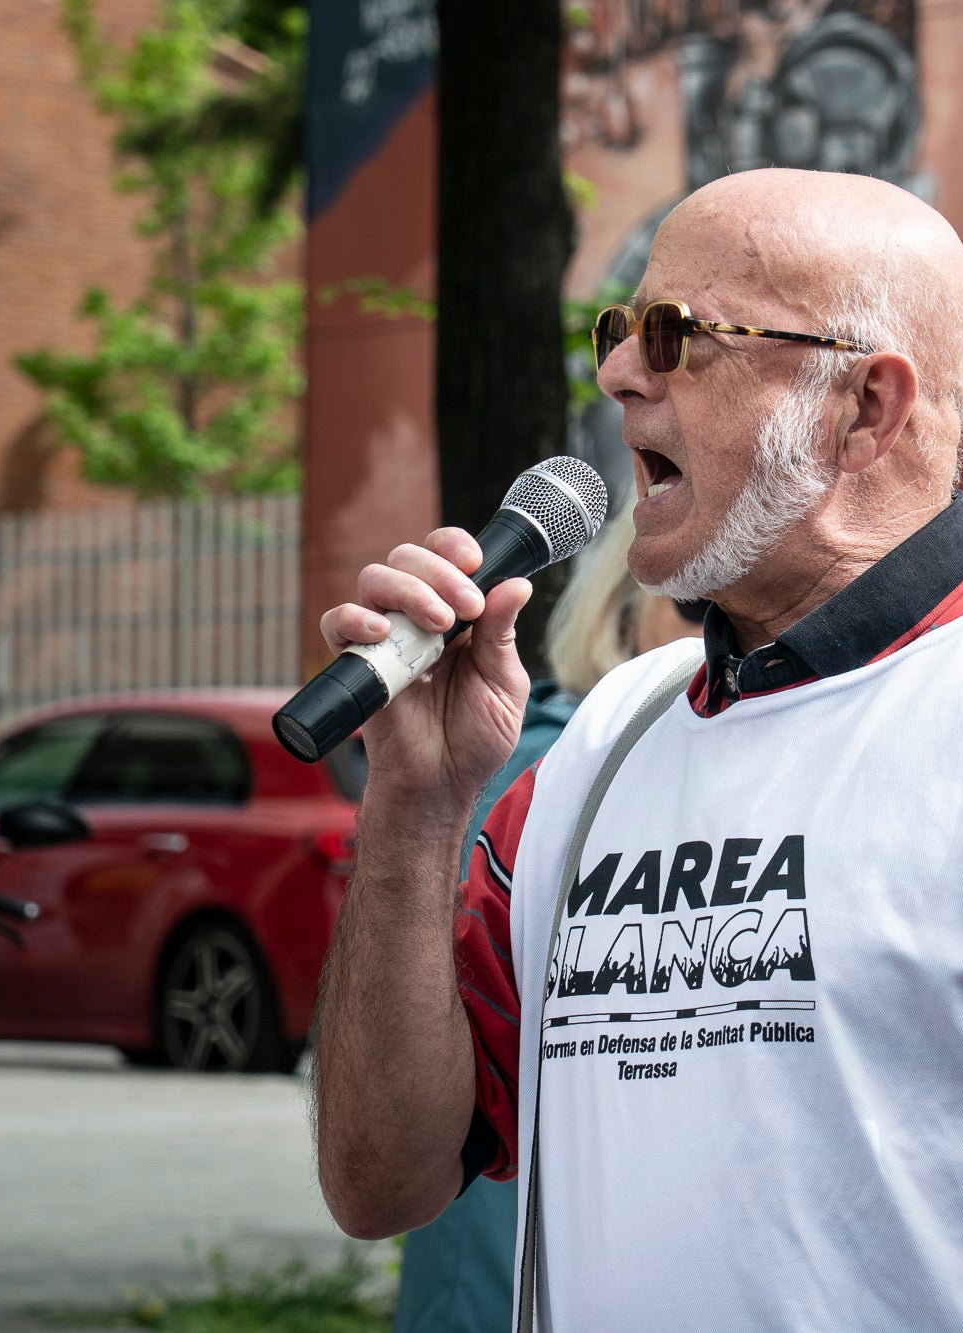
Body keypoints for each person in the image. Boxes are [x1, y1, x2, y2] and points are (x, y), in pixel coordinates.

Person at [312, 167, 963, 1330]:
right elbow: (381, 1181)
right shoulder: (607, 736)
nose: (619, 372)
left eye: (680, 334)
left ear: (866, 410)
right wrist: (415, 808)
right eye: (621, 329)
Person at [392, 512, 704, 1333]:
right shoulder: (546, 758)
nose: (714, 637)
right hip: (499, 1232)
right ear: (619, 612)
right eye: (693, 606)